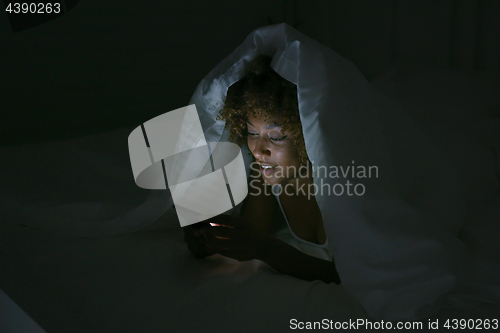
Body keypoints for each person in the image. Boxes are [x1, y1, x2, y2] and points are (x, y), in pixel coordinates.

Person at [183, 55, 341, 285]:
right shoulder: (267, 176)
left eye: (276, 137)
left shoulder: (340, 187)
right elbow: (250, 234)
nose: (258, 150)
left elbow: (352, 275)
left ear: (310, 134)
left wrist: (267, 250)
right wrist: (211, 240)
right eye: (252, 133)